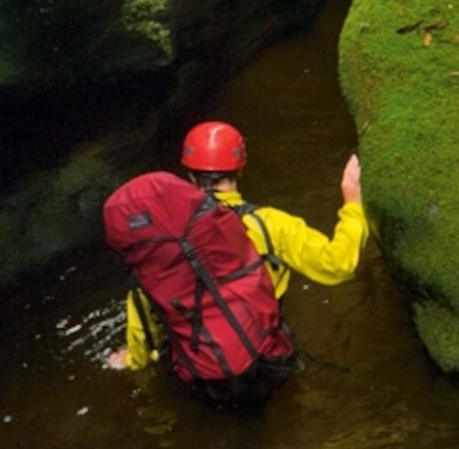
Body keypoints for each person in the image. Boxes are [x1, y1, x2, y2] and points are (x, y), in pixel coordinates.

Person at [105, 121, 365, 405]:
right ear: (241, 168)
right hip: (267, 359)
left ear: (189, 176)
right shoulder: (268, 224)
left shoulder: (163, 248)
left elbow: (144, 318)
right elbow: (339, 264)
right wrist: (352, 204)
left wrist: (133, 360)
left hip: (202, 377)